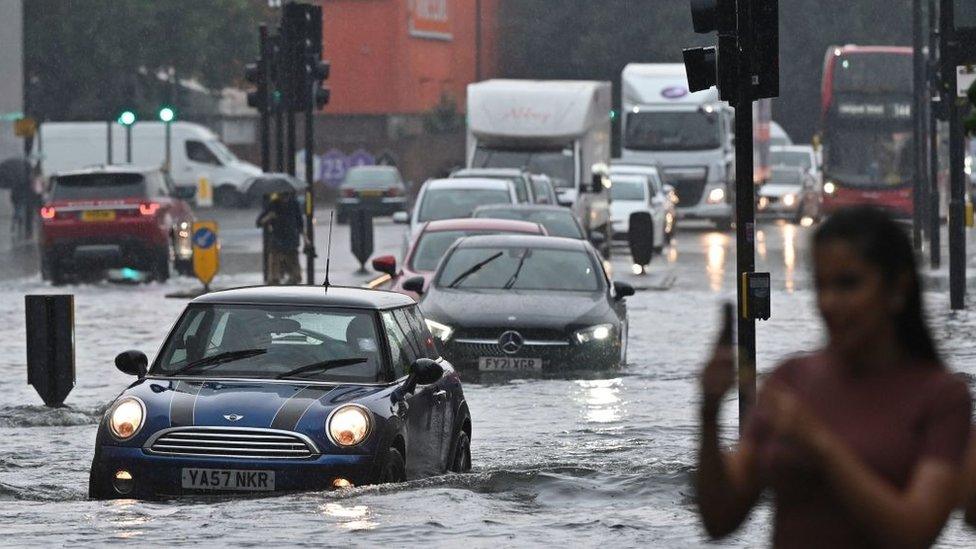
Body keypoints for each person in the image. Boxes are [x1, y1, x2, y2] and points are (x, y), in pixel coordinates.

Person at [697, 206, 972, 547]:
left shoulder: (941, 397)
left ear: (897, 288)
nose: (829, 302)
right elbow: (719, 519)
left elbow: (913, 532)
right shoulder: (791, 380)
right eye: (821, 286)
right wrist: (709, 412)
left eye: (848, 284)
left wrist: (819, 444)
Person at [256, 191, 306, 285]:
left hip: (291, 238)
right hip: (277, 238)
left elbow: (300, 223)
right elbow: (259, 222)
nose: (284, 198)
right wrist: (269, 217)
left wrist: (305, 238)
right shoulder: (273, 204)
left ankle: (292, 278)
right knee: (275, 260)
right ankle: (275, 278)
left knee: (293, 263)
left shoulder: (294, 204)